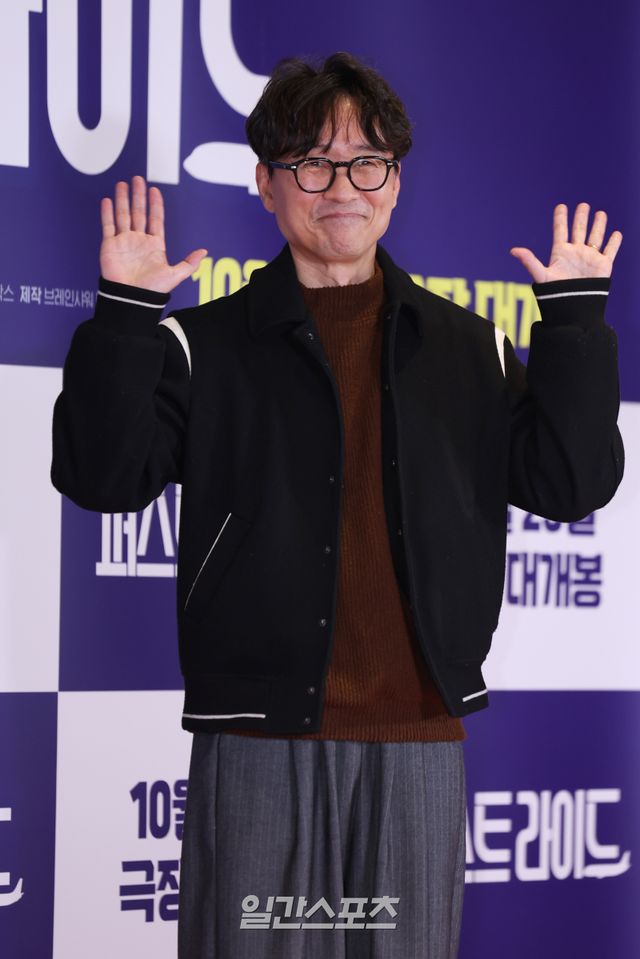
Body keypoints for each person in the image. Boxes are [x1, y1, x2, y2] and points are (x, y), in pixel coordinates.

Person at [51, 52, 624, 959]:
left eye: (367, 163)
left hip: (417, 741)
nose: (343, 188)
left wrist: (577, 326)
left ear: (395, 181)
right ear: (267, 184)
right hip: (256, 741)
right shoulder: (204, 344)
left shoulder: (468, 347)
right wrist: (124, 316)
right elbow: (101, 477)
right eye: (313, 164)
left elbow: (570, 483)